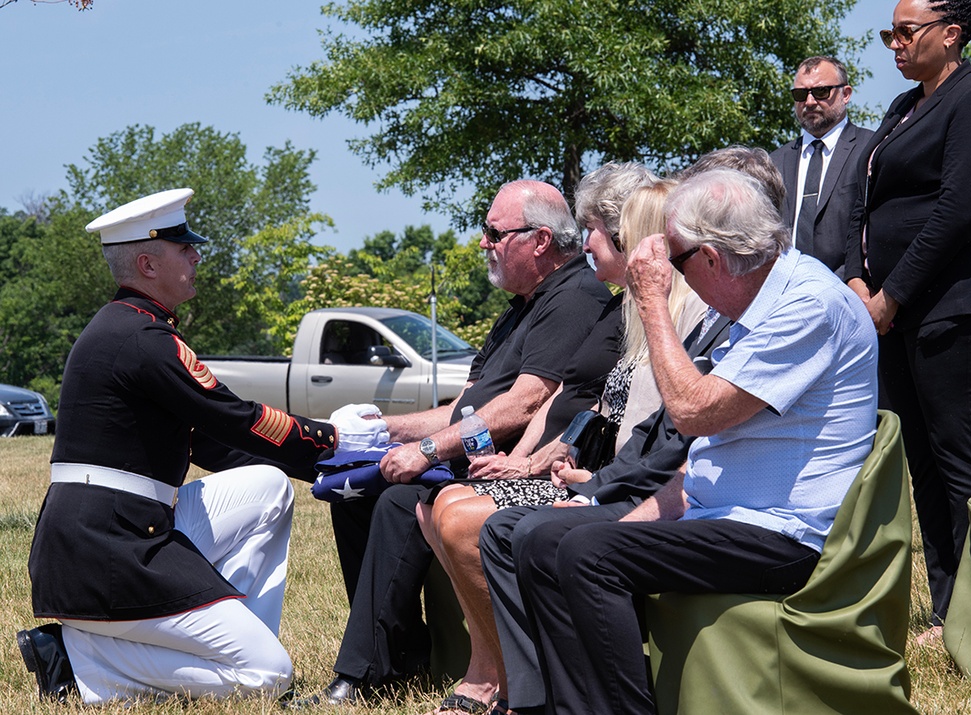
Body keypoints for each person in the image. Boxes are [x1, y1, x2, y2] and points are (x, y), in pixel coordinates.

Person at [516, 168, 878, 715]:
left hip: (786, 536)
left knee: (590, 554)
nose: (668, 271)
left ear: (710, 258)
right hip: (724, 516)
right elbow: (705, 462)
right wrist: (621, 522)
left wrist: (654, 302)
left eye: (676, 258)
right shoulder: (753, 304)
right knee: (544, 541)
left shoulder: (807, 306)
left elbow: (691, 414)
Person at [14, 189, 388, 705]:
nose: (196, 255)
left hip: (113, 534)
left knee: (268, 487)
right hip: (109, 552)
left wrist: (335, 468)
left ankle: (233, 642)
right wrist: (336, 437)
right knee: (270, 676)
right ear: (147, 263)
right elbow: (235, 417)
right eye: (183, 247)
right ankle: (78, 661)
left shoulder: (128, 329)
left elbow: (213, 443)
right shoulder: (144, 339)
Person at [478, 146, 784, 715]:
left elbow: (684, 430)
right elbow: (644, 427)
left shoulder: (770, 309)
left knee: (562, 541)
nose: (664, 250)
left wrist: (597, 491)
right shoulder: (709, 311)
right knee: (515, 529)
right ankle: (543, 699)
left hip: (755, 520)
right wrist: (585, 480)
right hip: (685, 493)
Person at [292, 180, 611, 709]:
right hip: (471, 457)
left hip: (513, 466)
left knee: (399, 498)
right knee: (352, 493)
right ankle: (401, 655)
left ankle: (362, 674)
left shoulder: (574, 295)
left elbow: (523, 406)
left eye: (493, 232)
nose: (483, 243)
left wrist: (429, 452)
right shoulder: (519, 306)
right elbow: (463, 405)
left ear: (538, 241)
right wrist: (379, 430)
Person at [414, 177, 706, 715]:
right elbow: (580, 406)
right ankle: (488, 671)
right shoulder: (610, 312)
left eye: (596, 229)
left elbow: (540, 401)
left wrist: (435, 451)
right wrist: (525, 460)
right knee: (427, 504)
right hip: (585, 468)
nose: (588, 240)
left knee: (458, 515)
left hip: (617, 480)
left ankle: (505, 683)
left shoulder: (621, 309)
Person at [844, 0, 971, 644]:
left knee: (960, 457)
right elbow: (862, 199)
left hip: (952, 307)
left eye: (906, 32)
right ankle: (947, 608)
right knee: (922, 463)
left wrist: (893, 295)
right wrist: (858, 278)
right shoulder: (900, 107)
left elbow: (959, 209)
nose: (894, 45)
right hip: (890, 312)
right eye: (889, 33)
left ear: (951, 34)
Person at [770, 56, 873, 276]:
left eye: (821, 92)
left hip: (852, 291)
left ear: (845, 94)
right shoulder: (775, 162)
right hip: (786, 294)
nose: (809, 102)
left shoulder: (871, 149)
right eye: (800, 94)